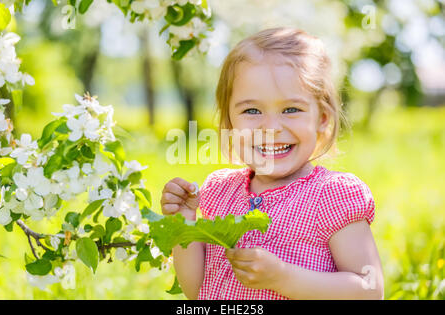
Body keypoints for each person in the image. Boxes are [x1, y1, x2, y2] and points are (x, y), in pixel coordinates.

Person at [160, 27, 384, 300]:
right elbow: (198, 291)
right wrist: (184, 220)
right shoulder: (218, 192)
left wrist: (282, 277)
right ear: (230, 122)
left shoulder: (331, 196)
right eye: (252, 111)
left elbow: (370, 291)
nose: (271, 128)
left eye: (291, 109)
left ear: (322, 118)